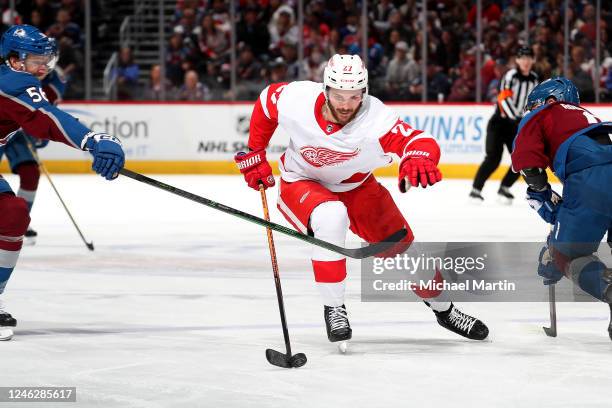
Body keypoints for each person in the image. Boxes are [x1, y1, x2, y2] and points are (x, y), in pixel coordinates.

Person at [235, 54, 488, 347]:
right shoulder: (298, 98)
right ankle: (334, 308)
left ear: (364, 93)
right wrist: (255, 152)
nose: (345, 104)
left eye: (354, 96)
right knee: (331, 216)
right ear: (325, 89)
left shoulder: (376, 119)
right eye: (339, 96)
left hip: (357, 187)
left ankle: (445, 311)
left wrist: (419, 157)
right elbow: (267, 103)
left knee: (409, 255)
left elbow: (418, 141)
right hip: (302, 182)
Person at [0, 25, 125, 341]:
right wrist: (92, 139)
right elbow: (46, 117)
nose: (42, 68)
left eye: (46, 60)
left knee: (13, 214)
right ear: (14, 60)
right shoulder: (13, 81)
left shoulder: (21, 79)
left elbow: (42, 117)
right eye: (35, 60)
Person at [511, 77, 612, 337]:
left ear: (551, 100)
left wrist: (557, 250)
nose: (532, 110)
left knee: (569, 256)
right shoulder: (588, 117)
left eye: (534, 105)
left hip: (592, 178)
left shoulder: (544, 113)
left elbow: (528, 163)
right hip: (598, 172)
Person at [0, 62, 67, 245]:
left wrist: (36, 132)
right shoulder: (8, 68)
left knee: (30, 173)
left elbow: (48, 114)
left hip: (21, 132)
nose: (42, 67)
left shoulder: (56, 80)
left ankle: (19, 222)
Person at [471, 46, 538, 204]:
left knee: (521, 158)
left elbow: (534, 102)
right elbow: (503, 99)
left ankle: (505, 187)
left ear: (533, 60)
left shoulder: (535, 79)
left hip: (517, 125)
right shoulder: (510, 76)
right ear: (517, 60)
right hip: (499, 123)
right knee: (493, 157)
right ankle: (476, 190)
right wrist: (517, 118)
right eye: (523, 58)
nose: (526, 61)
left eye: (529, 58)